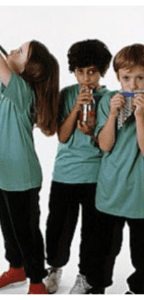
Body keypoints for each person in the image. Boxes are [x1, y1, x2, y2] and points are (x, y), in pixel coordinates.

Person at [0, 26, 59, 294]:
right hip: (3, 174)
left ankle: (36, 281)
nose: (12, 50)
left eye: (19, 52)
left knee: (27, 232)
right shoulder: (8, 88)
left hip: (21, 177)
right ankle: (16, 268)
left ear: (29, 70)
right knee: (9, 228)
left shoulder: (23, 92)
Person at [44, 40, 112, 294]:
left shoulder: (109, 98)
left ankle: (85, 275)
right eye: (80, 71)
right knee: (58, 226)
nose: (86, 78)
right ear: (73, 71)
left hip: (95, 175)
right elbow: (62, 136)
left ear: (102, 71)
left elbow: (107, 143)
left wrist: (93, 131)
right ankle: (54, 267)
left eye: (92, 72)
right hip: (64, 174)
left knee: (92, 231)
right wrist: (76, 106)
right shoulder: (67, 94)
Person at [93, 44, 144, 294]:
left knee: (142, 252)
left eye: (140, 78)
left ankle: (138, 289)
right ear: (117, 78)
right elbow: (105, 145)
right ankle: (97, 287)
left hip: (140, 195)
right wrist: (113, 115)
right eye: (126, 78)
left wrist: (141, 116)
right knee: (103, 248)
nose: (132, 86)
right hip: (111, 189)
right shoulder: (108, 102)